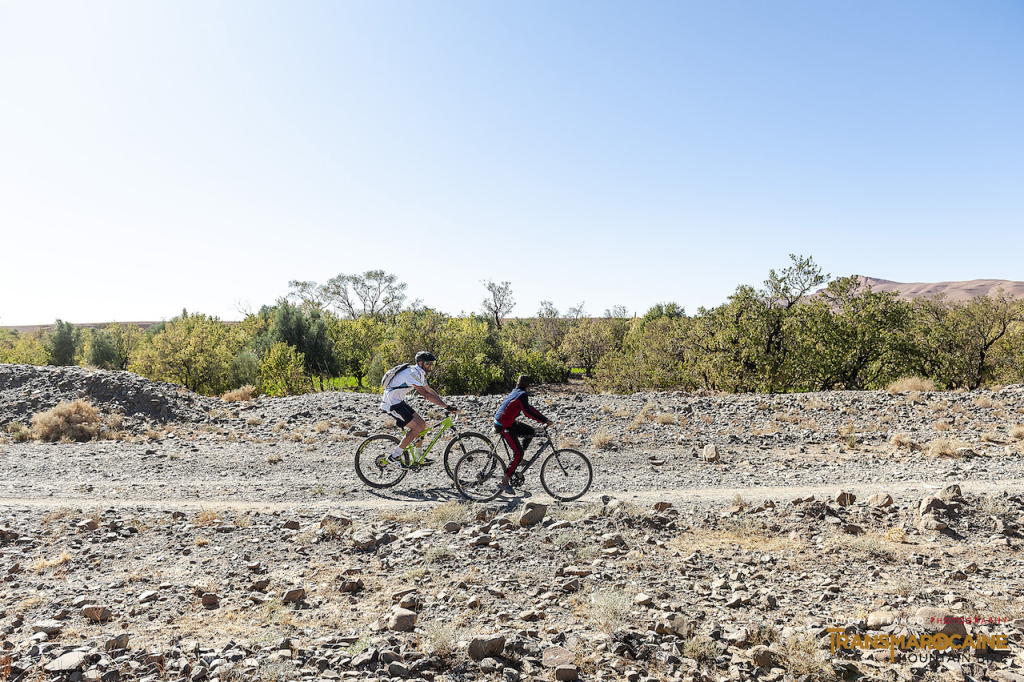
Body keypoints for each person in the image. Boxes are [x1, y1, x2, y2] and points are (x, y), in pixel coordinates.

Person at [380, 351, 458, 467]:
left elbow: (430, 391)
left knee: (422, 424)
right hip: (391, 403)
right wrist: (445, 407)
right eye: (428, 363)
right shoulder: (412, 373)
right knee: (415, 429)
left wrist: (445, 404)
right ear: (420, 363)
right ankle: (394, 456)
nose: (430, 365)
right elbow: (425, 395)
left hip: (399, 401)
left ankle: (418, 457)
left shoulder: (420, 374)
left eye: (431, 363)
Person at [493, 374, 553, 495]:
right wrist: (544, 421)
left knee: (530, 431)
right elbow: (527, 412)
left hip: (505, 421)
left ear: (517, 384)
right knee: (518, 453)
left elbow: (529, 408)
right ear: (529, 387)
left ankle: (519, 460)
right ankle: (504, 483)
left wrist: (543, 418)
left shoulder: (516, 391)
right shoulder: (522, 394)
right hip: (504, 425)